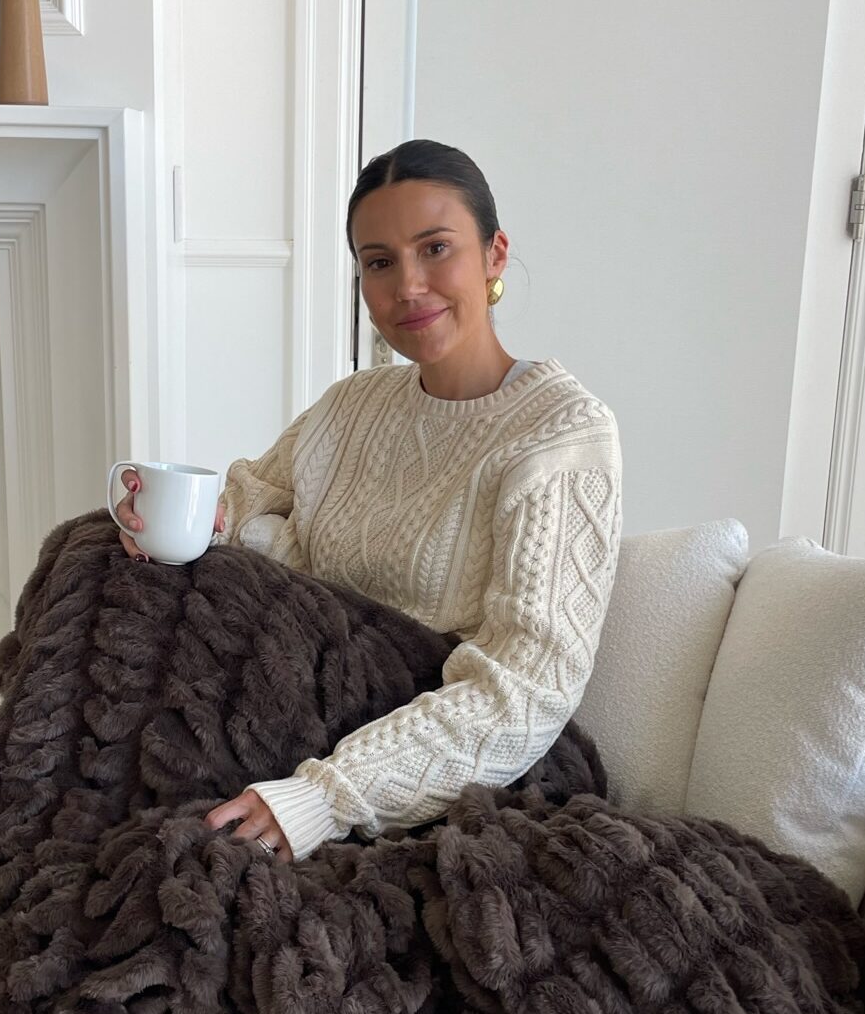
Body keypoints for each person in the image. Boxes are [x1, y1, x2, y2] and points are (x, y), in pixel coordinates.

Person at [113, 137, 623, 865]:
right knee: (97, 558)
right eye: (379, 262)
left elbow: (526, 691)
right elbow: (245, 499)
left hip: (449, 768)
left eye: (436, 248)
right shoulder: (353, 405)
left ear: (495, 254)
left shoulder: (560, 434)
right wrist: (168, 528)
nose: (407, 286)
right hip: (296, 706)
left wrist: (325, 797)